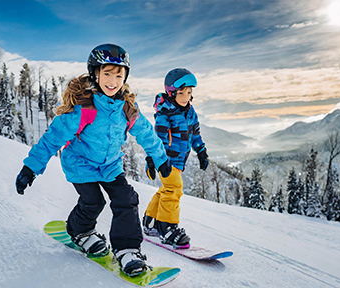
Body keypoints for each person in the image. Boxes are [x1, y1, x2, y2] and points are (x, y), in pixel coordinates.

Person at [15, 44, 171, 276]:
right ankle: (80, 231)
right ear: (95, 74)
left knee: (126, 199)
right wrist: (31, 168)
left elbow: (146, 134)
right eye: (107, 73)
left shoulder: (126, 108)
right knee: (93, 201)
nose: (113, 80)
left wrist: (160, 158)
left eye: (119, 75)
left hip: (110, 166)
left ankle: (127, 250)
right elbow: (53, 139)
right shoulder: (83, 108)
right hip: (81, 165)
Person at [143, 68, 209, 247]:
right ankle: (167, 228)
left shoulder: (189, 111)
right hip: (167, 161)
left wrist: (201, 151)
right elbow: (158, 140)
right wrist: (152, 160)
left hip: (180, 161)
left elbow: (195, 133)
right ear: (171, 93)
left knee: (166, 190)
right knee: (174, 190)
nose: (185, 97)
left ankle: (150, 221)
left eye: (189, 92)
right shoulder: (166, 114)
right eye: (181, 93)